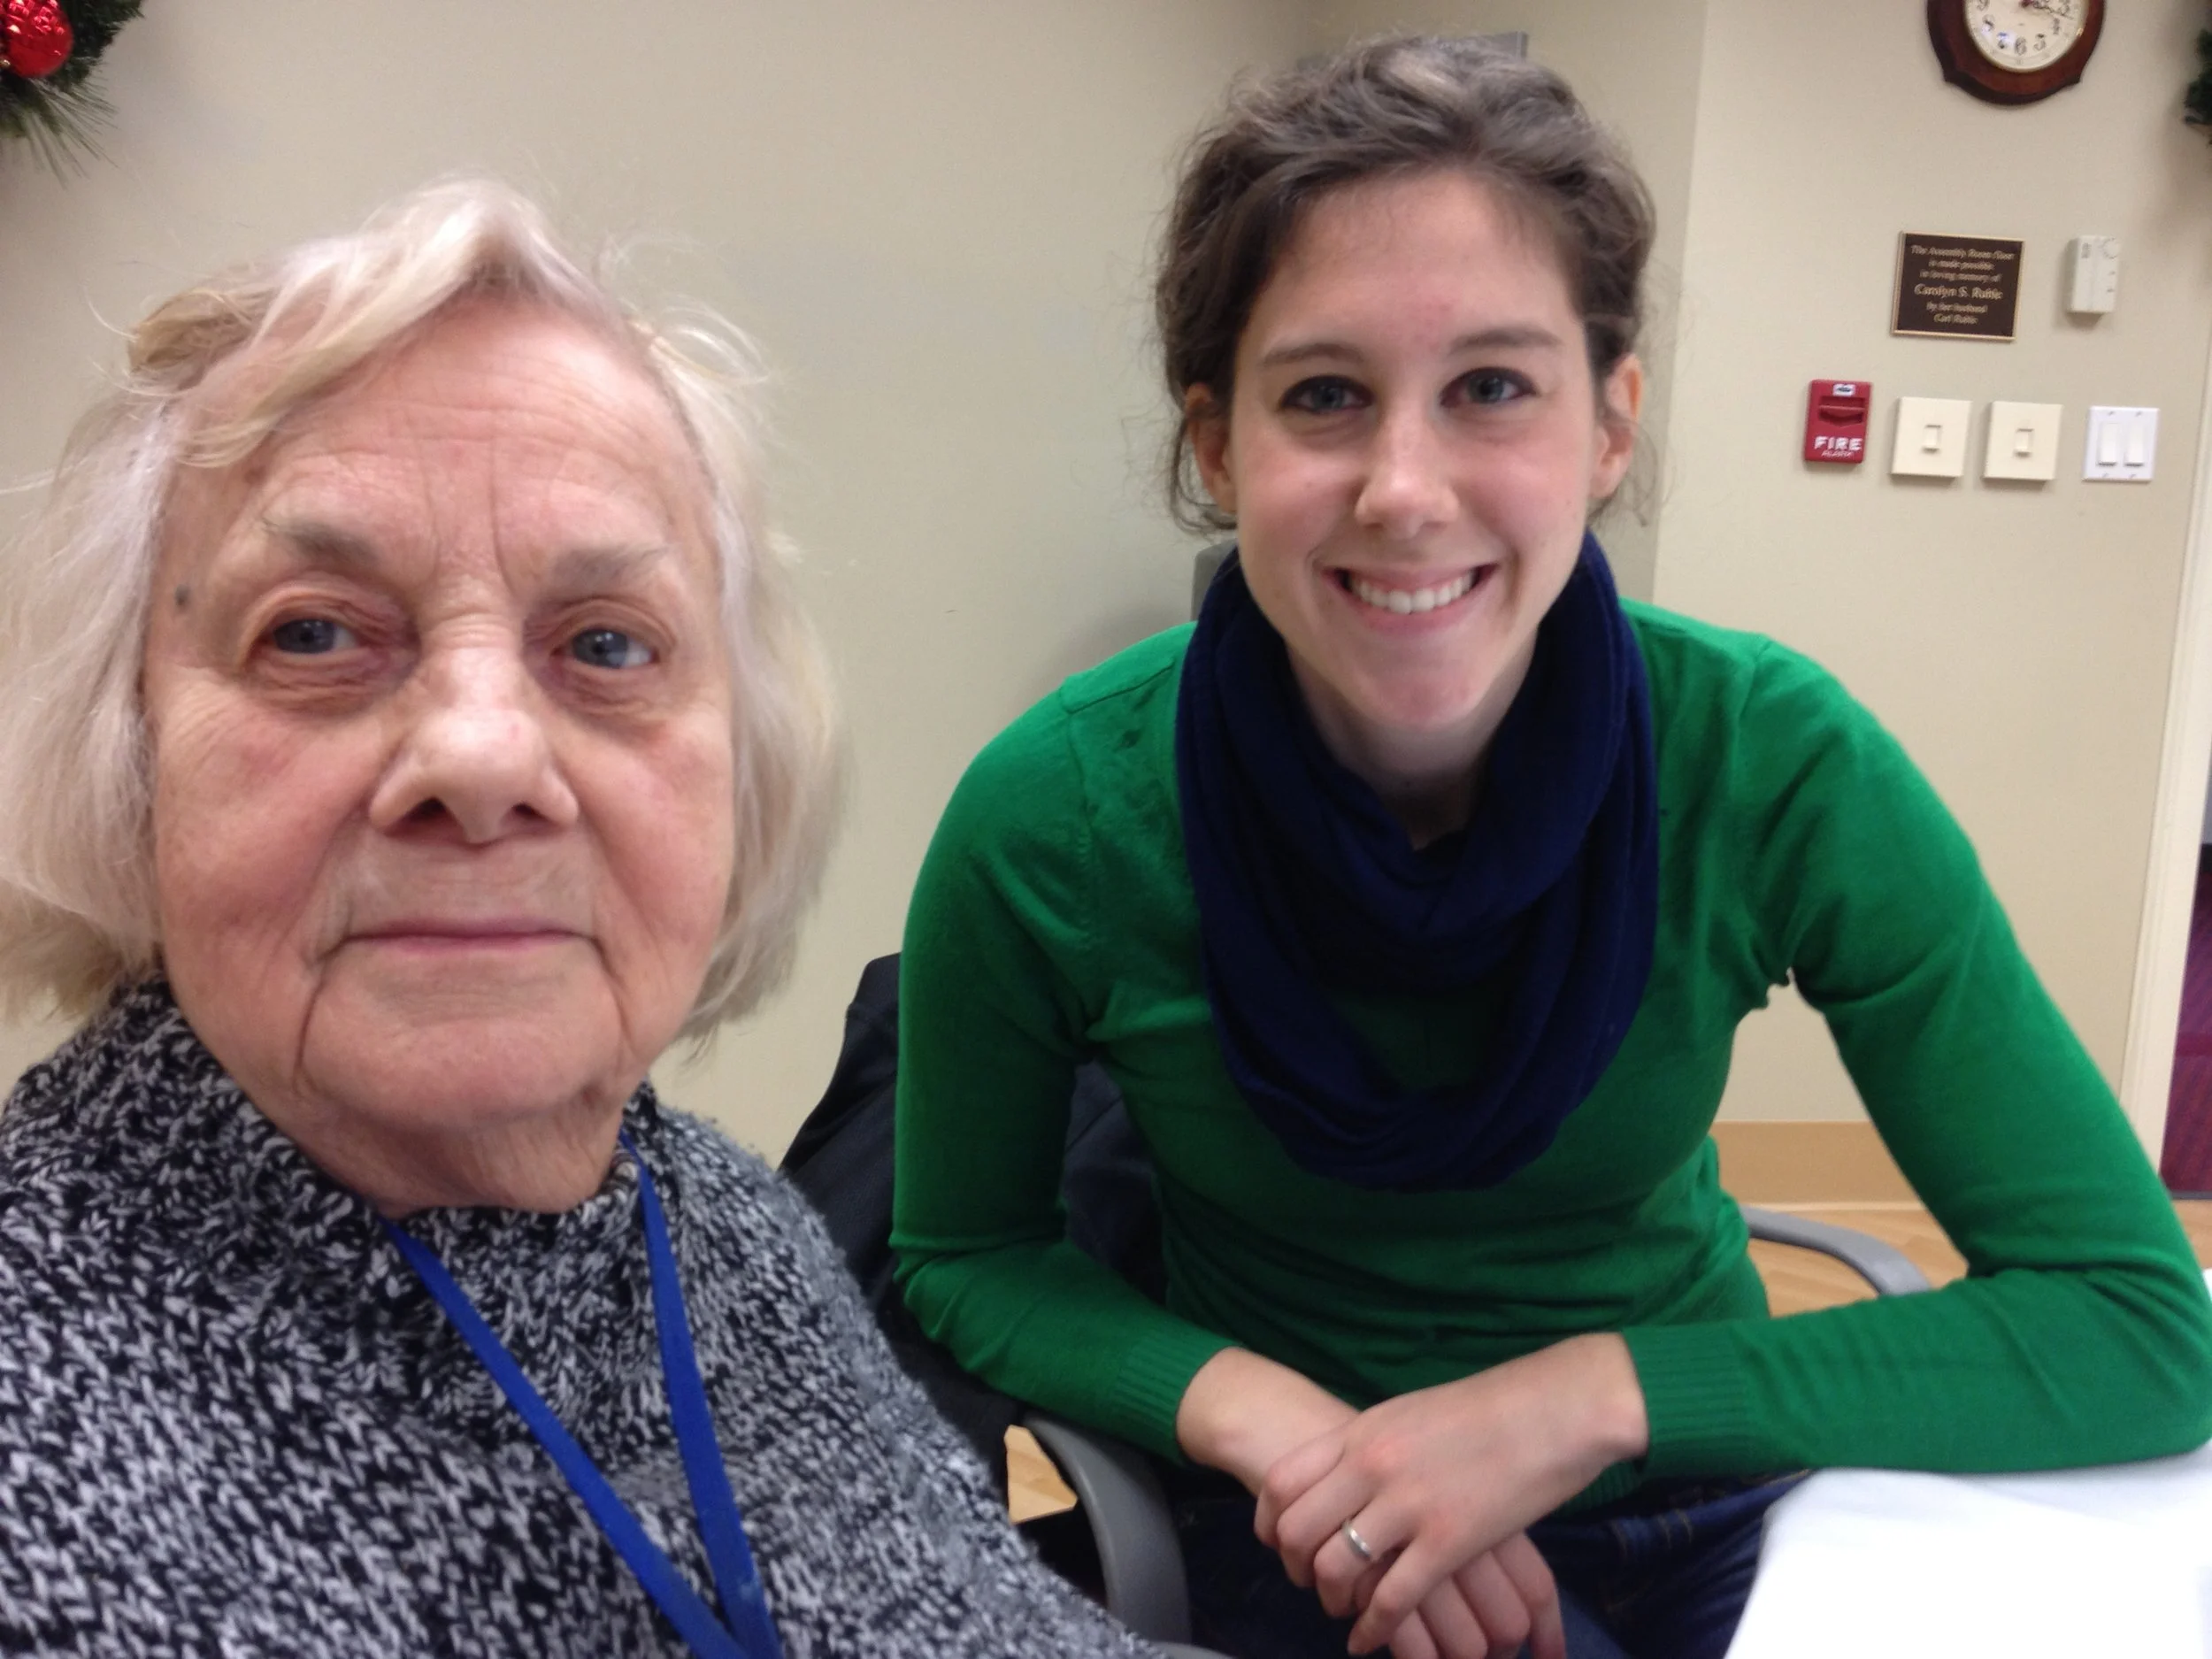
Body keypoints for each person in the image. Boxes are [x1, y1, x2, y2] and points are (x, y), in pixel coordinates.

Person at [890, 35, 2212, 1659]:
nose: (1404, 487)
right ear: (1218, 444)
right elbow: (964, 1252)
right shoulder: (1055, 813)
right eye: (1322, 395)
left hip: (1708, 1494)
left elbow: (2141, 1322)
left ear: (1610, 424)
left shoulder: (1773, 760)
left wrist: (1578, 1402)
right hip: (1291, 1530)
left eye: (1494, 388)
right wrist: (1302, 1439)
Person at [0, 180, 1163, 1659]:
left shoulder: (706, 1217)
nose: (482, 759)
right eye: (311, 631)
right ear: (129, 750)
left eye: (606, 644)